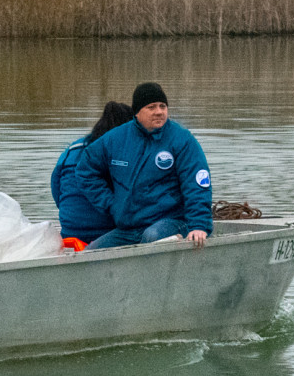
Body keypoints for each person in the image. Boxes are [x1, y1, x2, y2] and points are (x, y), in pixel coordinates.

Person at [71, 82, 213, 250]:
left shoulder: (182, 139)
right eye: (151, 107)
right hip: (130, 226)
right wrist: (111, 204)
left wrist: (198, 225)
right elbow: (85, 171)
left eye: (162, 106)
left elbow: (197, 185)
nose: (159, 112)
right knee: (91, 253)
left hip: (172, 222)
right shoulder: (115, 139)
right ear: (137, 112)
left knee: (151, 237)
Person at [50, 100, 134, 245]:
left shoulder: (72, 149)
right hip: (107, 235)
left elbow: (57, 191)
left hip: (71, 233)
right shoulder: (125, 154)